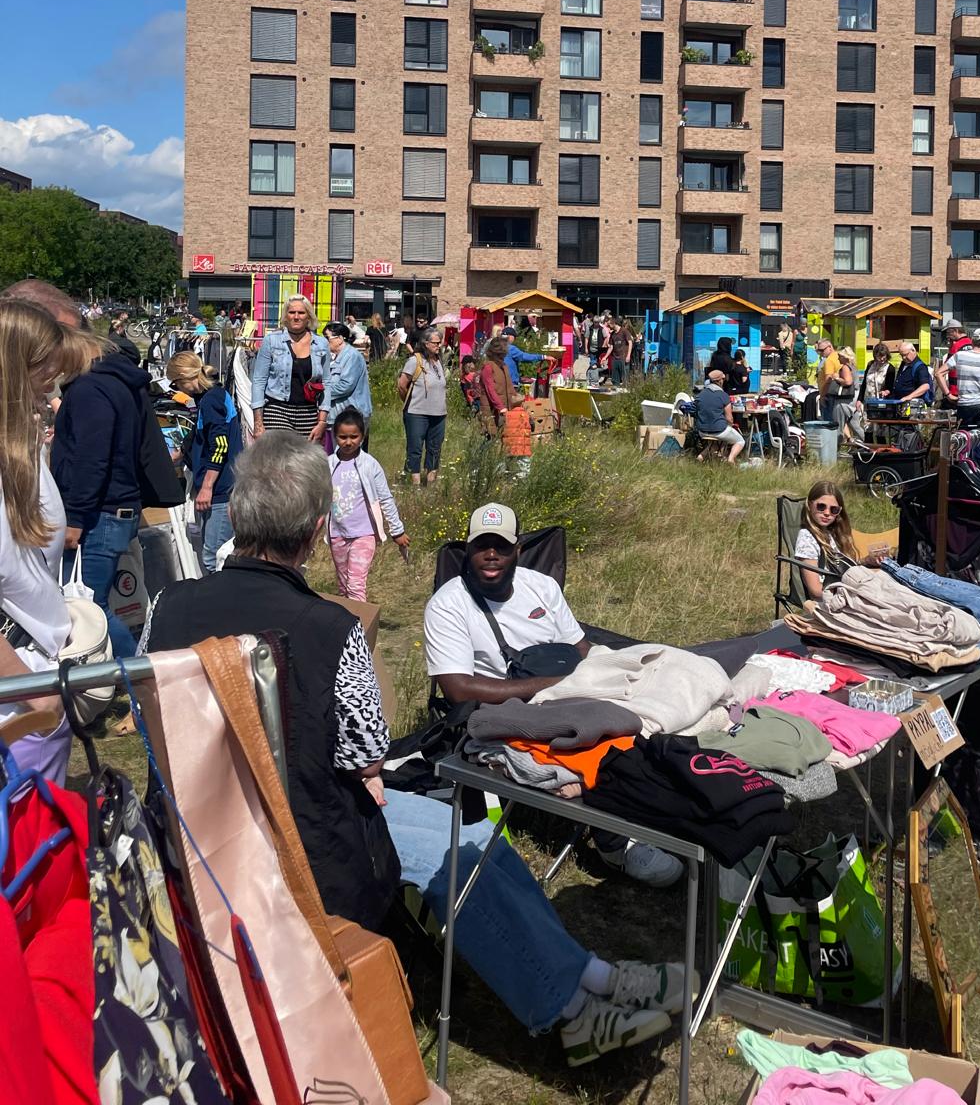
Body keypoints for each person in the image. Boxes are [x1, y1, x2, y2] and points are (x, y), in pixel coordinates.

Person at [143, 440, 684, 1066]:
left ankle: (589, 976)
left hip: (201, 824)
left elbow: (152, 721)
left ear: (237, 519)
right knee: (457, 854)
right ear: (318, 531)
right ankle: (570, 1008)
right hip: (305, 836)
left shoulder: (166, 608)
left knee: (468, 830)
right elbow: (368, 753)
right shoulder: (328, 626)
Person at [424, 503, 685, 889]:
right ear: (468, 550)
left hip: (573, 687)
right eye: (481, 546)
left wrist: (597, 679)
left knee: (661, 699)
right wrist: (554, 686)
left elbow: (580, 648)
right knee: (595, 740)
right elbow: (458, 689)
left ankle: (667, 814)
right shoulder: (449, 604)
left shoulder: (540, 586)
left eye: (501, 545)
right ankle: (617, 843)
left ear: (518, 549)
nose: (491, 554)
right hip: (507, 709)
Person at [0, 301, 93, 783]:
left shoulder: (23, 451)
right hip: (18, 706)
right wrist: (39, 697)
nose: (52, 391)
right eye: (44, 377)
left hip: (32, 693)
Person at [50, 330, 156, 661]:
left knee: (86, 607)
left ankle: (142, 672)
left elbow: (92, 458)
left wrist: (76, 517)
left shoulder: (88, 390)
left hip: (100, 513)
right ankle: (137, 673)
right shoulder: (116, 385)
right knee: (91, 603)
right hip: (115, 507)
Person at [166, 350, 242, 573]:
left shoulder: (211, 401)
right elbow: (202, 436)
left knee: (214, 557)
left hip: (221, 490)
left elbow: (220, 445)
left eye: (176, 383)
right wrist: (181, 454)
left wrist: (207, 487)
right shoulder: (212, 395)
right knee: (215, 553)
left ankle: (219, 605)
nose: (177, 389)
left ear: (185, 379)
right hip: (220, 487)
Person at [326, 408, 408, 599]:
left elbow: (385, 498)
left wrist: (397, 531)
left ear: (362, 436)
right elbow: (318, 499)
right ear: (334, 436)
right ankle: (346, 626)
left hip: (364, 534)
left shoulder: (370, 465)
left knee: (355, 585)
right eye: (342, 437)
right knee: (344, 585)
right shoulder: (328, 464)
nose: (348, 442)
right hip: (337, 534)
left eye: (353, 436)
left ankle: (359, 626)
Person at [250, 294, 331, 443]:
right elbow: (259, 381)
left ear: (309, 317)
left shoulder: (321, 344)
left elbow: (327, 382)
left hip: (308, 413)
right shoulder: (271, 341)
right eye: (292, 312)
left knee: (304, 464)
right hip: (277, 409)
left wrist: (322, 421)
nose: (296, 317)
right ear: (285, 316)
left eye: (301, 313)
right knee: (279, 461)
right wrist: (258, 423)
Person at [790, 479, 887, 602]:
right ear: (809, 505)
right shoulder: (807, 538)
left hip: (845, 589)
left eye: (833, 510)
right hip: (833, 601)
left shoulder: (829, 533)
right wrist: (854, 591)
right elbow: (815, 591)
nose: (827, 513)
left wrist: (866, 561)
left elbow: (839, 567)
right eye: (821, 506)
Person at [398, 327, 448, 485]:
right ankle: (415, 483)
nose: (438, 345)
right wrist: (411, 400)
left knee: (435, 448)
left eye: (439, 342)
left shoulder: (439, 361)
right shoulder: (415, 360)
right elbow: (402, 385)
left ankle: (431, 482)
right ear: (426, 343)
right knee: (415, 447)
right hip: (417, 413)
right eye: (435, 343)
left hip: (439, 413)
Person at [324, 320, 373, 447]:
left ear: (340, 338)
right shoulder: (334, 357)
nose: (325, 342)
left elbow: (345, 386)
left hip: (352, 415)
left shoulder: (352, 356)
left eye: (327, 337)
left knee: (351, 455)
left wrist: (322, 392)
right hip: (337, 414)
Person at [694, 368, 745, 464]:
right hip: (718, 430)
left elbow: (696, 411)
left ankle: (700, 457)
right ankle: (731, 459)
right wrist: (730, 426)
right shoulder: (723, 395)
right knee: (740, 441)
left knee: (715, 442)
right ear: (720, 381)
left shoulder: (700, 395)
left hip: (702, 431)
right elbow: (729, 418)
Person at [479, 334, 523, 438]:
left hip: (505, 409)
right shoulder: (488, 367)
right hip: (491, 409)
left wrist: (517, 400)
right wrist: (500, 407)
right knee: (490, 438)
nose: (503, 356)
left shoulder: (504, 366)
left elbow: (510, 387)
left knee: (504, 438)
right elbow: (490, 390)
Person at [500, 324, 547, 391]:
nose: (515, 339)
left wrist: (519, 378)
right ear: (510, 336)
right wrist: (543, 357)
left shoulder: (496, 348)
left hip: (499, 382)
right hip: (510, 384)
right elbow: (524, 356)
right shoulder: (510, 348)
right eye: (514, 337)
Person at [936, 319, 971, 405]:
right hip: (970, 392)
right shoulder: (972, 344)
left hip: (955, 392)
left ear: (955, 331)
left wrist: (947, 394)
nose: (947, 336)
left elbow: (944, 370)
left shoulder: (956, 346)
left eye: (948, 333)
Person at [828, 347, 859, 444]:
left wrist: (836, 378)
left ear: (845, 357)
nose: (838, 359)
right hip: (854, 397)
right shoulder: (853, 366)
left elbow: (848, 381)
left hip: (844, 399)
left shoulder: (845, 367)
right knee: (854, 424)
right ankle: (864, 442)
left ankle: (835, 448)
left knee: (838, 423)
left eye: (840, 357)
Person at [892, 341, 933, 406]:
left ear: (913, 350)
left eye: (905, 355)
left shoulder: (920, 367)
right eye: (901, 355)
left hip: (911, 405)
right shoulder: (903, 363)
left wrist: (909, 397)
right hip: (898, 403)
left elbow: (925, 386)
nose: (903, 358)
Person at [815, 338, 840, 422]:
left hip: (828, 395)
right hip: (837, 394)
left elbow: (828, 380)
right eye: (819, 350)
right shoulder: (838, 356)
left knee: (828, 422)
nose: (821, 353)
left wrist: (822, 396)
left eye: (822, 350)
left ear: (830, 347)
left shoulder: (829, 360)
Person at [609, 319, 633, 387]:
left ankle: (626, 391)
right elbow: (611, 347)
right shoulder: (612, 334)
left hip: (623, 357)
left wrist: (628, 355)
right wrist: (605, 357)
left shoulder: (624, 331)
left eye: (609, 324)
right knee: (615, 379)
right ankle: (616, 390)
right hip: (615, 358)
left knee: (625, 377)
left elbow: (630, 343)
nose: (608, 326)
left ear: (614, 323)